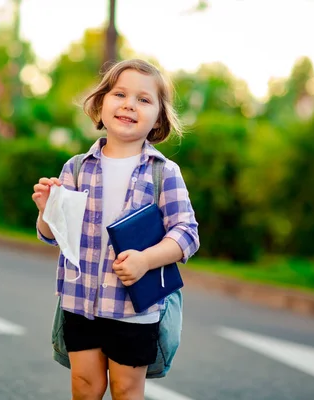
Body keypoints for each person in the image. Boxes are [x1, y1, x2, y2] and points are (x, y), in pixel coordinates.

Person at [32, 59, 199, 400]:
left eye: (143, 99)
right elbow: (54, 235)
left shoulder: (163, 172)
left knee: (125, 389)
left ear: (159, 118)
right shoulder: (76, 168)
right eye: (119, 93)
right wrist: (46, 211)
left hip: (133, 309)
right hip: (80, 301)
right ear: (101, 103)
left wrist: (146, 260)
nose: (129, 104)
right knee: (85, 386)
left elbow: (187, 233)